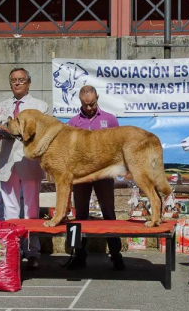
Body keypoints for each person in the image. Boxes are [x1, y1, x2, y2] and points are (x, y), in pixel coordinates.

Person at [0, 68, 48, 270]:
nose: (17, 83)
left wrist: (17, 132)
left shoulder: (40, 106)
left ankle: (32, 252)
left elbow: (41, 134)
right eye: (14, 80)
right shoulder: (2, 106)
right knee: (10, 210)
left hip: (28, 160)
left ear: (28, 83)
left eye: (21, 80)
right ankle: (12, 249)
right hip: (7, 161)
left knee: (31, 210)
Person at [64, 85, 125, 271]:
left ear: (97, 97)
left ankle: (116, 255)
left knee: (109, 214)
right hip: (81, 176)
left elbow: (117, 146)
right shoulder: (72, 123)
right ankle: (78, 255)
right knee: (79, 216)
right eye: (86, 104)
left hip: (104, 174)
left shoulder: (110, 120)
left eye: (92, 104)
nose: (90, 108)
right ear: (80, 101)